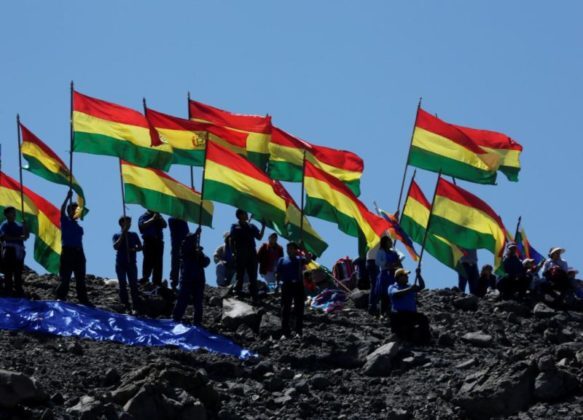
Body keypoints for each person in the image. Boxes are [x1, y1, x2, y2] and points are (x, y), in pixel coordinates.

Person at [55, 191, 90, 304]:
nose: (75, 211)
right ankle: (60, 297)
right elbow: (61, 209)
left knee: (80, 278)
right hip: (68, 252)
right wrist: (67, 197)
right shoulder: (65, 221)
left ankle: (83, 299)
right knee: (65, 277)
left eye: (76, 209)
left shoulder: (78, 226)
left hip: (79, 253)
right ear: (69, 211)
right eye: (73, 209)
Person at [172, 228, 209, 325]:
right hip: (187, 277)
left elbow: (206, 262)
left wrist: (200, 254)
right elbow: (187, 246)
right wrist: (196, 234)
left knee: (198, 301)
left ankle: (197, 322)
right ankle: (176, 318)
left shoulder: (198, 252)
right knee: (183, 299)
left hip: (198, 279)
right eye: (194, 239)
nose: (195, 240)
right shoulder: (185, 247)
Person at [275, 242, 310, 337]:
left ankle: (298, 332)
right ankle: (285, 333)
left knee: (299, 309)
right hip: (286, 285)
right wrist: (277, 285)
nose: (288, 250)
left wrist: (304, 249)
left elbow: (308, 260)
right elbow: (277, 273)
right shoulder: (282, 260)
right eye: (288, 248)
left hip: (298, 285)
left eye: (291, 248)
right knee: (285, 309)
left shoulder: (299, 259)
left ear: (295, 250)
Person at [229, 209, 265, 302]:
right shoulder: (235, 226)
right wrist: (233, 252)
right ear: (240, 215)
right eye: (245, 213)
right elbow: (231, 240)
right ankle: (238, 292)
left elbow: (259, 237)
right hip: (241, 252)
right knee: (240, 274)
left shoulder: (251, 226)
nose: (247, 214)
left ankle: (254, 295)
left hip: (252, 253)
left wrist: (263, 226)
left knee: (253, 275)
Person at [388, 267, 430, 345]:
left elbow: (421, 286)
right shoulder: (392, 287)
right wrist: (410, 289)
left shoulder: (409, 286)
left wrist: (419, 275)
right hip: (399, 315)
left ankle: (426, 342)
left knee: (423, 319)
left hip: (411, 314)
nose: (407, 277)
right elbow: (396, 294)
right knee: (406, 331)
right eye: (405, 275)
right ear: (398, 277)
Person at [112, 216, 143, 311]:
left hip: (131, 263)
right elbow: (116, 246)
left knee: (133, 284)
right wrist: (123, 234)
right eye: (127, 222)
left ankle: (136, 306)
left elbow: (140, 247)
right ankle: (125, 305)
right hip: (120, 263)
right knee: (122, 284)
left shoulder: (134, 235)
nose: (129, 224)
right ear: (122, 223)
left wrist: (134, 249)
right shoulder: (116, 235)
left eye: (130, 222)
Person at [0, 207, 29, 296]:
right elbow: (4, 237)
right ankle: (8, 290)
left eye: (14, 212)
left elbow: (26, 237)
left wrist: (25, 227)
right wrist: (18, 238)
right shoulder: (4, 225)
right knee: (8, 271)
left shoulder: (19, 225)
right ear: (6, 214)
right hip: (9, 250)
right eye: (12, 213)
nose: (14, 214)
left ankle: (18, 290)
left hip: (19, 252)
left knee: (18, 272)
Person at [372, 237, 402, 317]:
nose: (391, 243)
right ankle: (382, 312)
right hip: (385, 275)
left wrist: (398, 263)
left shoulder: (394, 253)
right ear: (385, 243)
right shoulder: (381, 252)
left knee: (393, 293)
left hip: (393, 275)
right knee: (384, 294)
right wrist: (387, 264)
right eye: (389, 241)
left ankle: (392, 311)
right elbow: (378, 262)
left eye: (391, 241)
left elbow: (399, 263)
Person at [138, 210, 167, 287]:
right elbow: (142, 226)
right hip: (148, 241)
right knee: (148, 260)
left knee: (158, 262)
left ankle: (157, 282)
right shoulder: (144, 216)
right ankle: (145, 279)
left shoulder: (159, 216)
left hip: (158, 241)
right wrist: (152, 219)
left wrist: (159, 217)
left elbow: (165, 225)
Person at [168, 217, 189, 290]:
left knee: (183, 265)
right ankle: (174, 283)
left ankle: (182, 284)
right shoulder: (172, 219)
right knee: (175, 264)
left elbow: (187, 235)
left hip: (183, 246)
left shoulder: (184, 221)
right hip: (176, 246)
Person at [367, 241, 381, 314]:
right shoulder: (384, 233)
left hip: (370, 259)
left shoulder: (374, 232)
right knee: (375, 284)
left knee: (374, 284)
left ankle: (372, 305)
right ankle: (373, 306)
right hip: (374, 261)